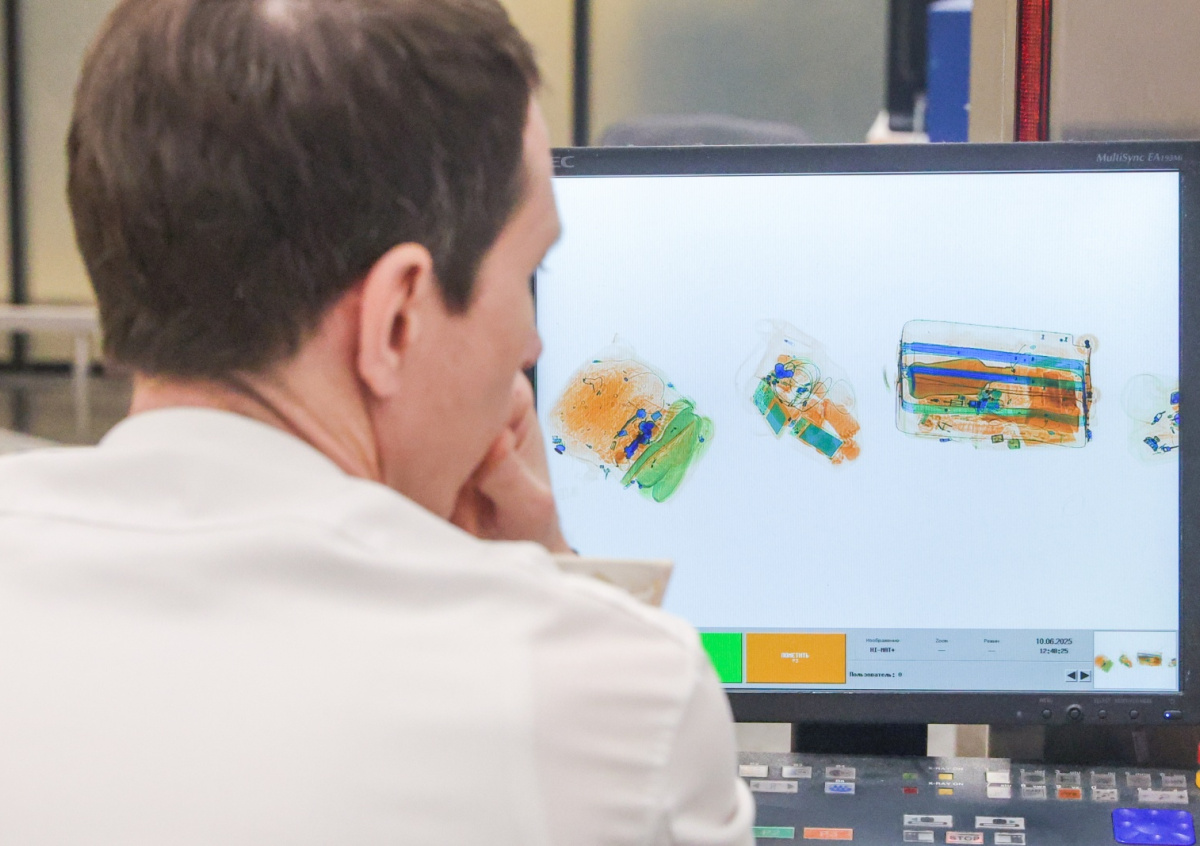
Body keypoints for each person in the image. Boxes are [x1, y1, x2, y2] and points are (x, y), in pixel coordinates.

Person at [0, 1, 754, 844]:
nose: (532, 344)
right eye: (527, 275)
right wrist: (553, 585)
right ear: (396, 319)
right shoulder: (613, 701)